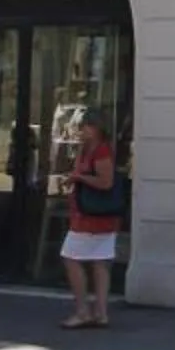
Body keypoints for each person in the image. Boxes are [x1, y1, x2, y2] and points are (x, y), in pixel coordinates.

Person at [61, 107, 123, 331]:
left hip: (92, 216)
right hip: (90, 214)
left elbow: (105, 182)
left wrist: (80, 177)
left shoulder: (101, 151)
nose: (82, 130)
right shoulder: (87, 149)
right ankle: (101, 313)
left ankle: (83, 311)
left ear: (97, 128)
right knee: (100, 261)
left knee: (71, 257)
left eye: (86, 126)